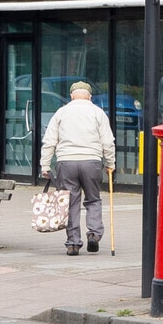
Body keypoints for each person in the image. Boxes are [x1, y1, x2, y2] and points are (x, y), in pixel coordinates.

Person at [40, 82, 115, 256]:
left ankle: (73, 244)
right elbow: (107, 141)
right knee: (93, 199)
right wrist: (110, 163)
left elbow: (49, 141)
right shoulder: (98, 112)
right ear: (90, 96)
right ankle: (94, 234)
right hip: (91, 161)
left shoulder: (61, 112)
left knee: (71, 203)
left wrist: (45, 165)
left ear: (71, 96)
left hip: (66, 162)